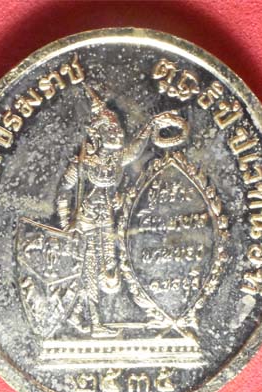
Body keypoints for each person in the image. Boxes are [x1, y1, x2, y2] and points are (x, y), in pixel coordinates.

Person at [57, 86, 186, 338]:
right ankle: (93, 323)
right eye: (111, 129)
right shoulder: (83, 164)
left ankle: (78, 313)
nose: (117, 132)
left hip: (107, 220)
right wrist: (65, 223)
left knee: (110, 272)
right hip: (86, 222)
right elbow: (64, 191)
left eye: (116, 128)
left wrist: (151, 125)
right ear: (98, 134)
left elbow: (136, 150)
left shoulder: (116, 160)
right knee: (89, 271)